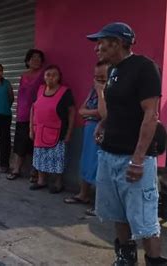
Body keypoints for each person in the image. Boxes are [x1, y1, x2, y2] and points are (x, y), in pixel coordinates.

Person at [87, 22, 167, 266]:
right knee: (117, 213)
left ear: (119, 42)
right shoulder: (113, 71)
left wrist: (138, 159)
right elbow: (117, 108)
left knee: (144, 220)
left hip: (134, 160)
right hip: (108, 155)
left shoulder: (144, 68)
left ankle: (154, 261)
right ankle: (125, 257)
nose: (96, 48)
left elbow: (150, 115)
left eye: (101, 42)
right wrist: (103, 125)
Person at [63, 61, 109, 216]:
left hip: (103, 132)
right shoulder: (92, 90)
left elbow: (105, 114)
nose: (98, 81)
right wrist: (94, 111)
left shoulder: (110, 90)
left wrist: (101, 92)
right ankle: (83, 194)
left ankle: (100, 204)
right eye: (96, 77)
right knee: (86, 161)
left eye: (102, 77)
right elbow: (81, 111)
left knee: (99, 166)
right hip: (89, 130)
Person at [29, 65, 75, 193]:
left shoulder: (65, 92)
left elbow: (71, 112)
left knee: (57, 159)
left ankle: (58, 183)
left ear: (59, 77)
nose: (50, 77)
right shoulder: (40, 90)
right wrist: (31, 129)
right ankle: (41, 181)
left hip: (57, 131)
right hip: (39, 130)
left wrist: (69, 132)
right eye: (48, 74)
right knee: (39, 157)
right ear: (44, 77)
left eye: (54, 75)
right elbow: (33, 109)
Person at [8, 49, 45, 180]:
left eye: (39, 58)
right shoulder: (23, 76)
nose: (36, 60)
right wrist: (18, 112)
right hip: (23, 114)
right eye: (33, 58)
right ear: (27, 61)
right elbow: (20, 96)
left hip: (37, 114)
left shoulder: (44, 75)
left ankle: (34, 172)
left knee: (36, 143)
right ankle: (16, 169)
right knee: (20, 143)